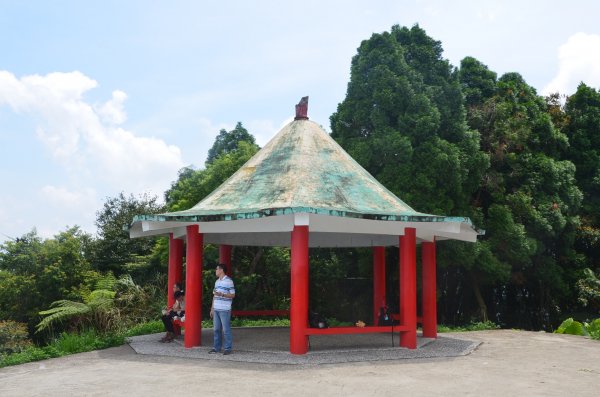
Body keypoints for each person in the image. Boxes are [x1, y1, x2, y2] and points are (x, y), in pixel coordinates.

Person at [209, 263, 235, 355]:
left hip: (225, 309)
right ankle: (216, 348)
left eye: (217, 269)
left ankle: (228, 348)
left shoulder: (229, 281)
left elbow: (233, 295)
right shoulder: (217, 282)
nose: (215, 271)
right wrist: (212, 308)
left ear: (221, 270)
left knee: (226, 329)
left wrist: (223, 294)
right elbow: (214, 296)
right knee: (216, 329)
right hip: (216, 308)